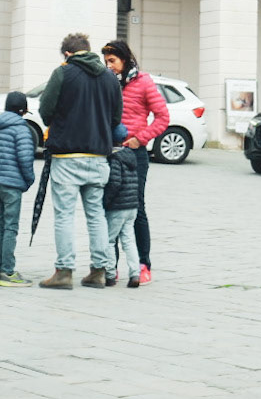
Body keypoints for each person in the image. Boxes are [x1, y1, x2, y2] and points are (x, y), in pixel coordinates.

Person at [37, 32, 122, 290]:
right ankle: (98, 270)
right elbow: (117, 117)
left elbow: (45, 110)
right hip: (98, 155)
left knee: (64, 215)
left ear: (67, 54)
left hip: (67, 155)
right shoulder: (109, 77)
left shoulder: (63, 73)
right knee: (96, 214)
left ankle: (64, 271)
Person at [101, 40, 168, 286]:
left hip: (134, 156)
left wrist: (141, 139)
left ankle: (143, 264)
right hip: (109, 152)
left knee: (135, 207)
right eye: (106, 61)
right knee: (109, 208)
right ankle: (111, 266)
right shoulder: (106, 82)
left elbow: (163, 117)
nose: (109, 66)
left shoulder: (143, 83)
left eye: (113, 61)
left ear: (125, 59)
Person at [0, 91, 36, 287]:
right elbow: (25, 159)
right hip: (12, 184)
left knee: (1, 225)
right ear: (23, 110)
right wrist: (29, 180)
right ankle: (8, 271)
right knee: (11, 227)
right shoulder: (21, 129)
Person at [102, 129, 143, 289]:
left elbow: (115, 183)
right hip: (131, 206)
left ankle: (110, 274)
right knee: (129, 240)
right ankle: (135, 273)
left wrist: (106, 201)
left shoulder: (114, 158)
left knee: (110, 240)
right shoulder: (130, 155)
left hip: (117, 206)